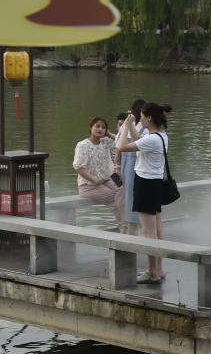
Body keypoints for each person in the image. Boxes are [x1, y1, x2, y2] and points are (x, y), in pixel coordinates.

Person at [117, 102, 173, 284]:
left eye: (141, 116)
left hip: (146, 185)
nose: (139, 118)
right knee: (157, 229)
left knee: (148, 232)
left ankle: (152, 273)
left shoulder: (152, 140)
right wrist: (131, 125)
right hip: (155, 184)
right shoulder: (160, 136)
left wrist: (125, 127)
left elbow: (122, 146)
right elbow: (139, 139)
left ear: (149, 118)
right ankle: (159, 269)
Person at [73, 116, 126, 233]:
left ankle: (127, 226)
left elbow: (120, 142)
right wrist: (94, 180)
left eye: (103, 127)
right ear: (90, 127)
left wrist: (109, 134)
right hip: (89, 186)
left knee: (124, 190)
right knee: (116, 198)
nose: (100, 129)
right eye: (97, 126)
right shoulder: (83, 145)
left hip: (107, 180)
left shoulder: (105, 142)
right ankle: (124, 229)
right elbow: (78, 167)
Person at [117, 99, 146, 235]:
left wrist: (128, 126)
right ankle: (132, 230)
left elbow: (121, 145)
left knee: (132, 198)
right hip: (128, 165)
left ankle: (133, 231)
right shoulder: (130, 124)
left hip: (134, 166)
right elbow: (119, 145)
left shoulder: (144, 127)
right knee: (129, 198)